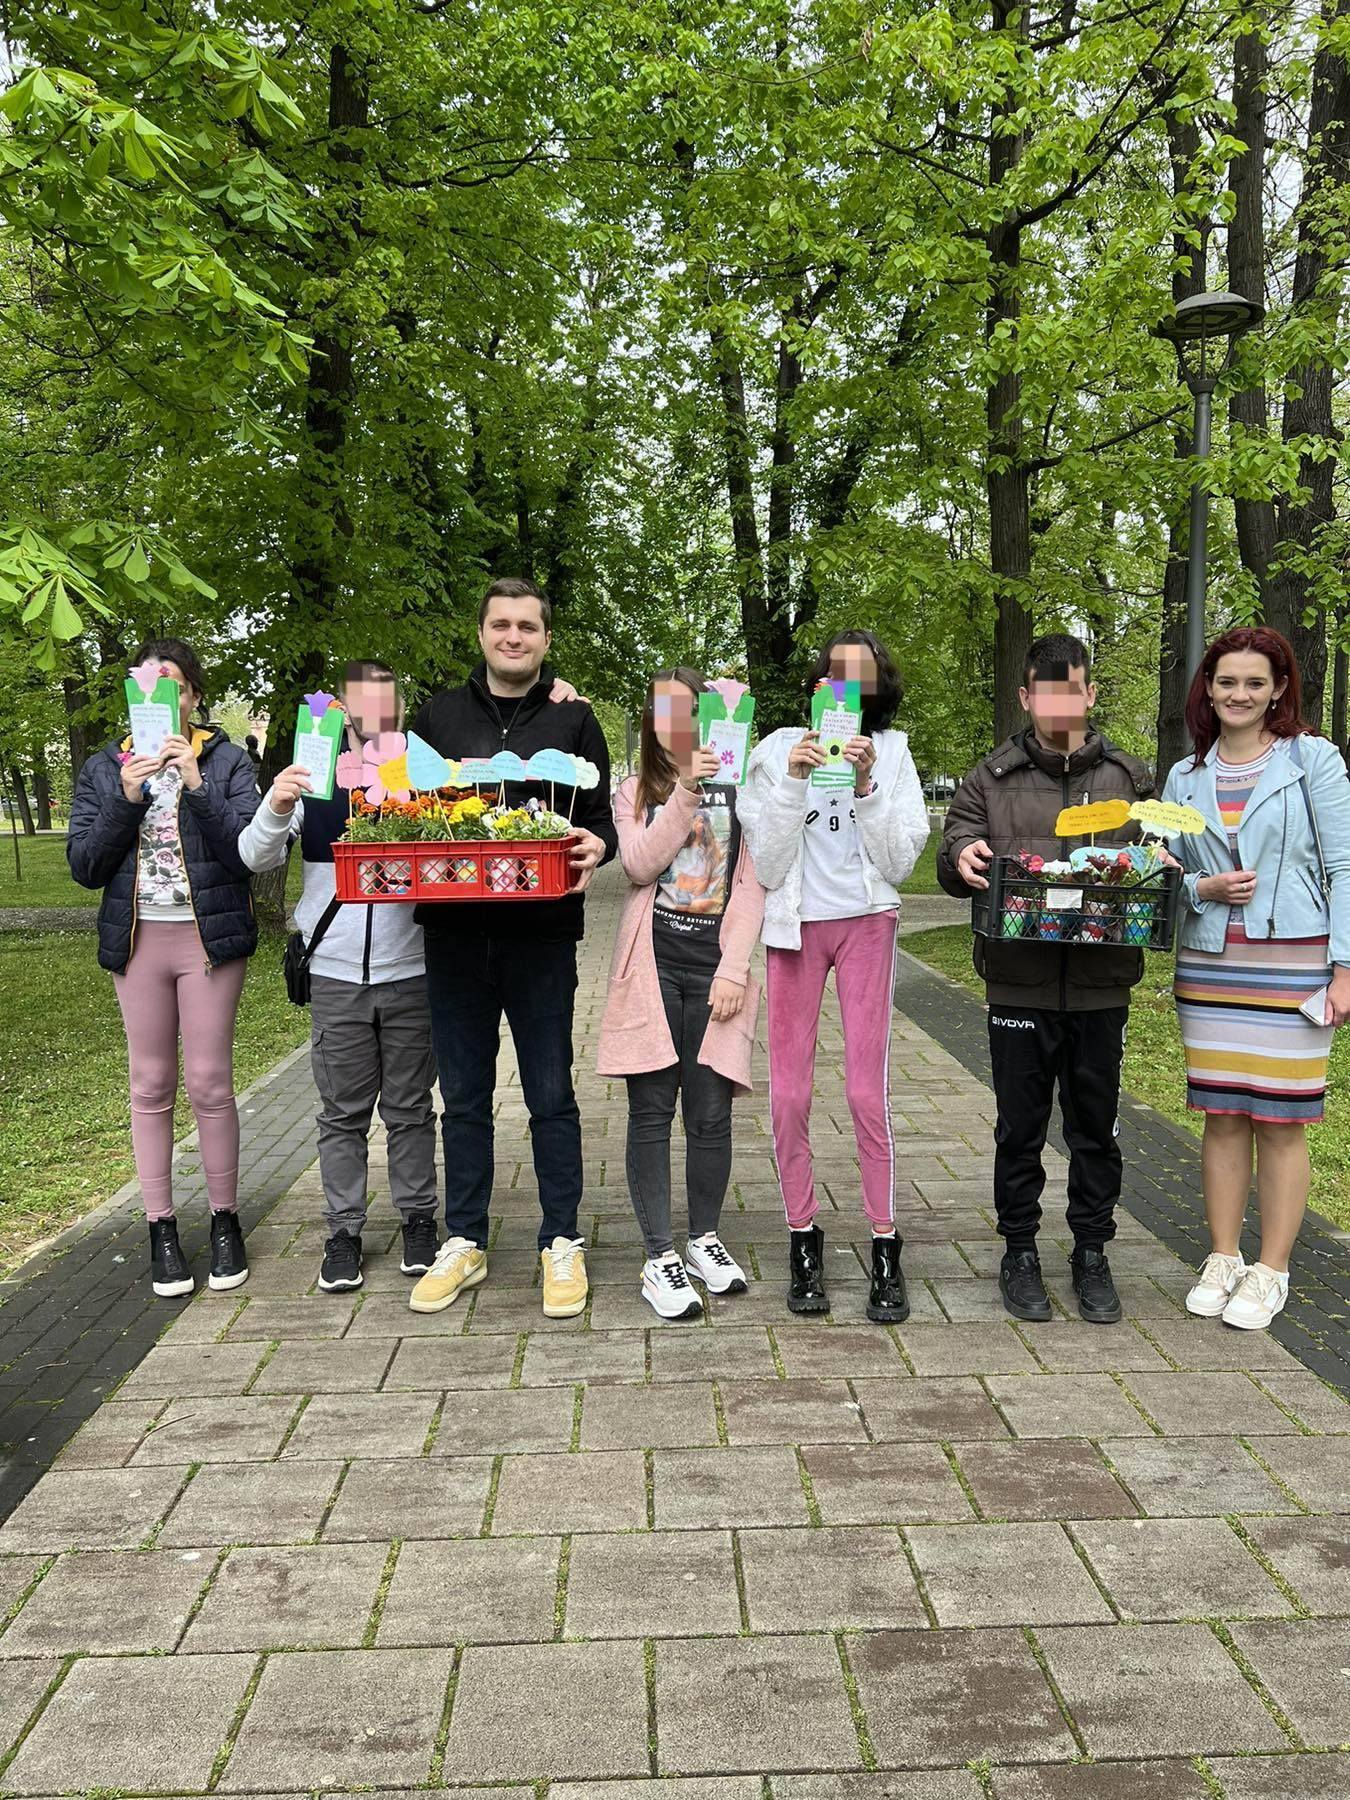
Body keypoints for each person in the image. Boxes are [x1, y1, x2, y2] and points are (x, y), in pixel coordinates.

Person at [407, 577, 618, 1318]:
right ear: (481, 633)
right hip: (455, 937)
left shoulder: (574, 718)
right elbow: (406, 810)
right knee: (463, 1099)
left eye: (527, 627)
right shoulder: (436, 717)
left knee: (550, 1095)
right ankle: (464, 1239)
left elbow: (600, 818)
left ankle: (561, 1240)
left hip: (542, 939)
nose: (513, 637)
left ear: (546, 639)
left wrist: (598, 844)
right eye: (501, 624)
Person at [937, 632, 1155, 1325]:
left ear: (1090, 694)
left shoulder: (1131, 780)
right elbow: (954, 852)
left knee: (1095, 1127)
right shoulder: (989, 778)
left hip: (1100, 984)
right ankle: (1020, 1251)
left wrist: (1159, 863)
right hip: (1018, 982)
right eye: (1046, 694)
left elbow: (1158, 854)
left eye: (1072, 692)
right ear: (1026, 697)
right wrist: (961, 854)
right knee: (1019, 1127)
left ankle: (1092, 1251)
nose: (1060, 706)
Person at [1162, 626, 1350, 1330]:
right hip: (1211, 966)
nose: (1239, 694)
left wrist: (1345, 969)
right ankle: (1223, 1257)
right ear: (1208, 690)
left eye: (1254, 682)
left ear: (1278, 690)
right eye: (1227, 681)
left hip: (1295, 964)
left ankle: (1272, 1269)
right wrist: (1202, 888)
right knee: (1222, 1115)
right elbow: (1164, 872)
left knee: (1280, 1118)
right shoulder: (1185, 777)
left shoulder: (1312, 760)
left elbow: (1345, 866)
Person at [738, 629, 929, 1321]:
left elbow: (900, 862)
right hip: (796, 928)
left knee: (864, 1092)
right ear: (817, 683)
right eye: (836, 672)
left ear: (878, 686)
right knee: (789, 1094)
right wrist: (794, 781)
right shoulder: (774, 750)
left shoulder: (895, 752)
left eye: (863, 673)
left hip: (867, 923)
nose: (848, 685)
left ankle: (885, 1242)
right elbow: (766, 863)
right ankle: (803, 1236)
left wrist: (868, 785)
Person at [67, 639, 261, 1298]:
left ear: (193, 696)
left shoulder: (226, 760)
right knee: (150, 1082)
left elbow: (244, 854)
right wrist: (126, 797)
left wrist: (198, 784)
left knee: (209, 1082)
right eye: (146, 685)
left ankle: (226, 1221)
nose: (160, 696)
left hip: (208, 940)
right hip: (138, 940)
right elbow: (85, 865)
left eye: (173, 684)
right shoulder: (105, 767)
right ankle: (161, 1228)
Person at [238, 663, 440, 1294]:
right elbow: (254, 856)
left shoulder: (423, 768)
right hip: (334, 973)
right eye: (362, 699)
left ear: (399, 704)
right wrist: (277, 804)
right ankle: (344, 1231)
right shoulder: (315, 771)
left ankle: (418, 1221)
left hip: (412, 968)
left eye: (387, 697)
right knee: (342, 1114)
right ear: (345, 709)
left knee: (410, 1109)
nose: (376, 709)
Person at [597, 668, 766, 1318]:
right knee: (650, 1111)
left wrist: (734, 969)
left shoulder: (741, 787)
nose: (675, 722)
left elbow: (752, 885)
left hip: (715, 969)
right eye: (662, 710)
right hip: (653, 967)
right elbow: (639, 864)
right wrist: (687, 790)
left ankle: (703, 1240)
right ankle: (658, 1254)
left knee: (710, 1113)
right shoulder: (635, 791)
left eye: (689, 709)